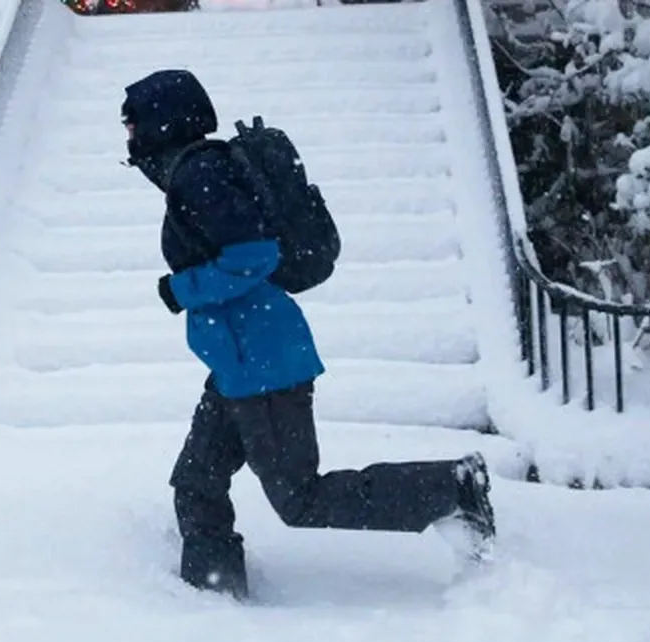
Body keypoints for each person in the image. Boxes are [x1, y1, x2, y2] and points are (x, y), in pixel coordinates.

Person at [121, 69, 496, 601]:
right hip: (239, 362)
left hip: (264, 366)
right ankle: (212, 598)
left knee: (301, 500)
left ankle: (452, 488)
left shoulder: (199, 176)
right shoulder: (196, 170)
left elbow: (254, 256)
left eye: (133, 124)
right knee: (197, 481)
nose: (129, 137)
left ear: (162, 120)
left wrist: (182, 289)